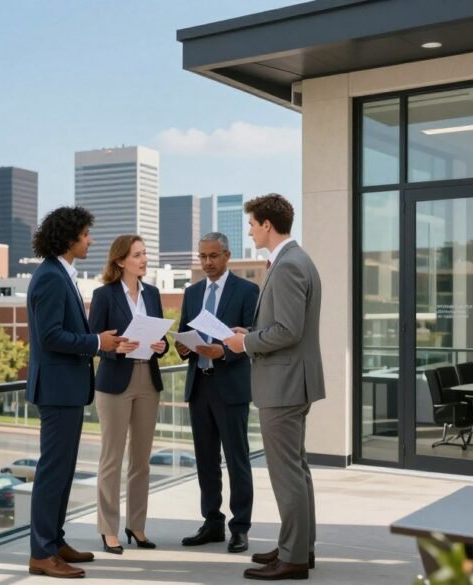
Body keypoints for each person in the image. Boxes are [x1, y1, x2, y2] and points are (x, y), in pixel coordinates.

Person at [223, 193, 325, 581]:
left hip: (283, 384)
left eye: (251, 224)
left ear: (267, 224)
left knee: (287, 474)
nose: (249, 230)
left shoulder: (287, 266)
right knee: (297, 470)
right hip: (291, 380)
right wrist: (248, 333)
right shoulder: (296, 260)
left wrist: (244, 343)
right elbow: (286, 326)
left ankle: (294, 558)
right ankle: (299, 547)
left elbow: (288, 330)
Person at [26, 206, 124, 579]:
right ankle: (41, 553)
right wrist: (99, 342)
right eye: (86, 234)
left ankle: (54, 541)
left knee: (63, 471)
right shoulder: (51, 277)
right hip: (57, 390)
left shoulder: (60, 274)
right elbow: (50, 337)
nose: (91, 239)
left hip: (65, 389)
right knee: (53, 472)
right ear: (70, 239)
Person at [177, 232, 258, 555]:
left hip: (231, 385)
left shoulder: (248, 291)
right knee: (206, 460)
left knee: (237, 461)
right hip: (199, 385)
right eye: (203, 257)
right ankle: (212, 522)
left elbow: (254, 337)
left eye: (213, 256)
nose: (207, 263)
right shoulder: (192, 292)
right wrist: (184, 347)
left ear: (227, 256)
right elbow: (184, 331)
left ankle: (240, 528)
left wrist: (223, 351)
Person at [88, 235, 168, 555]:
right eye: (137, 255)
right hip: (114, 383)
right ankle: (108, 529)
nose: (144, 259)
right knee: (112, 459)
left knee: (141, 461)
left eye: (145, 253)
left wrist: (161, 346)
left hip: (148, 378)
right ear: (121, 261)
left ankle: (137, 526)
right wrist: (116, 347)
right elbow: (94, 342)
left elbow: (158, 338)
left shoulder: (153, 293)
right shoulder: (104, 295)